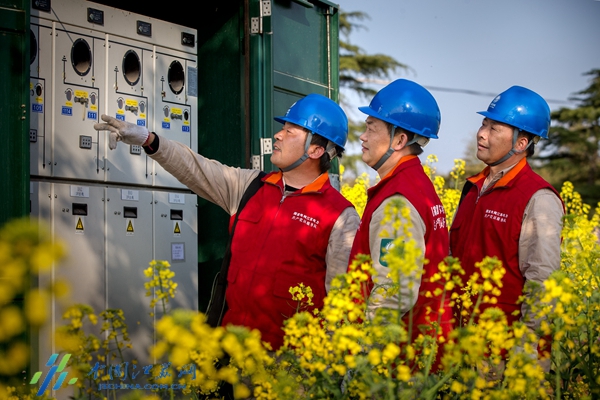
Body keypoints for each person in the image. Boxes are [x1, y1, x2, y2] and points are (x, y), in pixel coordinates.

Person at [94, 93, 360, 350]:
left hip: (287, 370)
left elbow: (343, 305)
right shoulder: (250, 186)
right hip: (228, 356)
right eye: (283, 128)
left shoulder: (340, 216)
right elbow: (196, 167)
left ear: (316, 149)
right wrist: (147, 139)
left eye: (291, 131)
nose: (278, 134)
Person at [449, 86, 564, 372]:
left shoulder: (538, 198)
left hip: (504, 358)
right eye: (483, 124)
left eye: (494, 128)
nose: (481, 133)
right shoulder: (473, 187)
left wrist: (524, 358)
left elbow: (542, 283)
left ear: (521, 142)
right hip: (460, 344)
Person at [348, 79, 452, 365]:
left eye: (371, 128)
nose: (362, 137)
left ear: (399, 140)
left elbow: (393, 293)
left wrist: (363, 361)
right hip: (418, 350)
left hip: (396, 364)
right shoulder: (417, 185)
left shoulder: (398, 200)